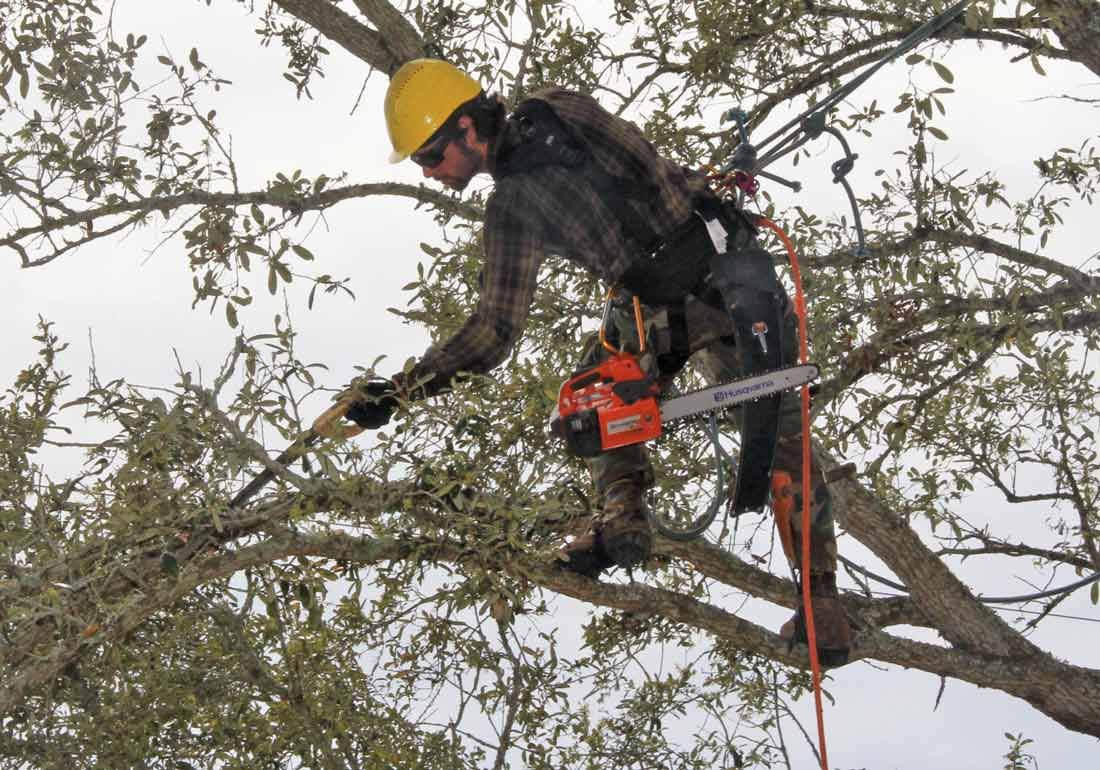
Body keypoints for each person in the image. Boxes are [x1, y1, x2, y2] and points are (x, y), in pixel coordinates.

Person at [346, 58, 851, 662]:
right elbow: (645, 163)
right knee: (780, 430)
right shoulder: (562, 102)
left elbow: (492, 334)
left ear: (468, 130)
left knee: (589, 398)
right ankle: (821, 605)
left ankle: (623, 513)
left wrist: (403, 389)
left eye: (431, 156)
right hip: (731, 265)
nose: (431, 175)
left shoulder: (513, 207)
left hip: (661, 306)